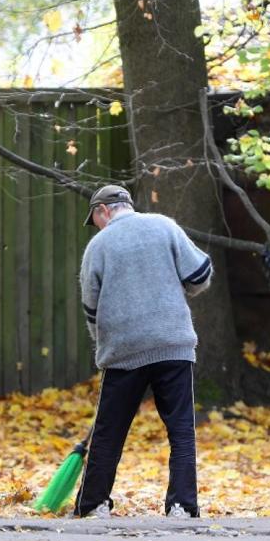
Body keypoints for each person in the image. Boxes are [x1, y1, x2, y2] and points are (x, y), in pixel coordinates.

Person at [74, 184, 212, 520]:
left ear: (104, 210)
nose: (97, 226)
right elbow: (201, 273)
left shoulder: (99, 245)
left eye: (95, 219)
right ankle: (182, 506)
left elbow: (91, 308)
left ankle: (93, 504)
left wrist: (104, 346)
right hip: (173, 344)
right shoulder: (164, 226)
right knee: (181, 430)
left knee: (109, 432)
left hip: (124, 351)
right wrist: (182, 291)